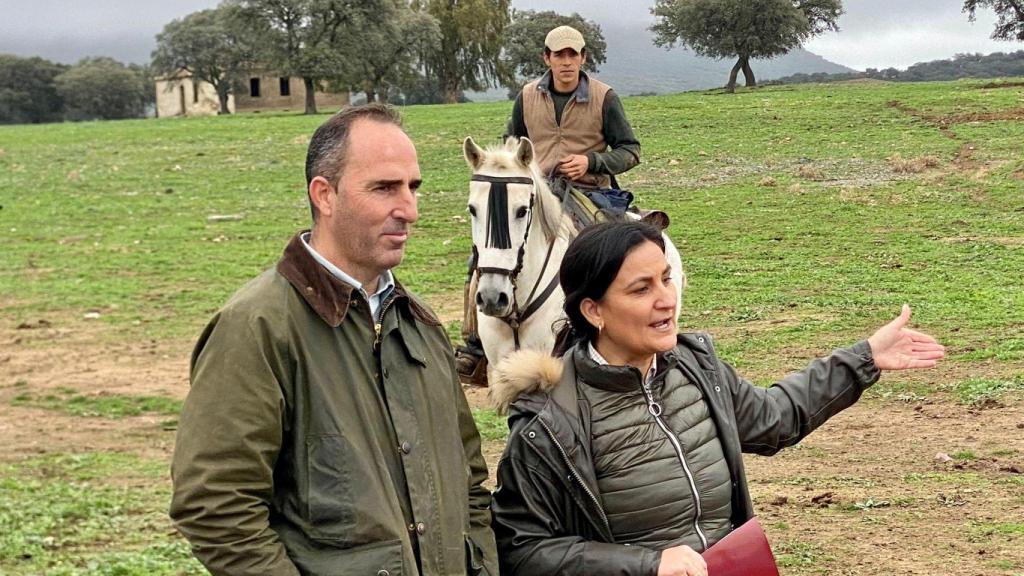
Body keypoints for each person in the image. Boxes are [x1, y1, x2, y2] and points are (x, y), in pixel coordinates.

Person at [487, 220, 945, 576]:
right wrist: (648, 566)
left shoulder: (695, 367)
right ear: (594, 310)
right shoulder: (549, 421)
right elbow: (523, 549)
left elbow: (773, 417)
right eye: (641, 289)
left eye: (666, 279)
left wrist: (864, 358)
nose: (666, 299)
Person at [170, 104, 498, 576]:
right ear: (324, 195)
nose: (410, 210)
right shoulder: (257, 327)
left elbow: (468, 482)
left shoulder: (420, 324)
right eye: (385, 188)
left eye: (413, 187)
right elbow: (215, 505)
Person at [455, 24, 642, 382]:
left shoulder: (605, 98)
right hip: (534, 192)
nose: (567, 61)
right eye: (560, 54)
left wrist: (592, 162)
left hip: (590, 192)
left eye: (574, 54)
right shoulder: (526, 97)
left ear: (583, 58)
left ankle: (612, 331)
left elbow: (631, 151)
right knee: (484, 253)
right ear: (547, 58)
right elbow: (511, 144)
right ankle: (477, 348)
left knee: (607, 253)